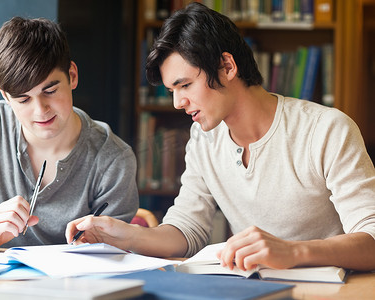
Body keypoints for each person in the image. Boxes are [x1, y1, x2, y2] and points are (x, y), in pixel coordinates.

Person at [66, 2, 375, 272]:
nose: (177, 103)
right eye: (172, 91)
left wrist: (293, 252)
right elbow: (187, 231)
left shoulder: (327, 130)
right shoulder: (204, 139)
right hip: (256, 289)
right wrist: (118, 234)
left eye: (185, 86)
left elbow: (372, 238)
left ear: (227, 66)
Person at [0, 17, 139, 253]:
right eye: (23, 99)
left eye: (50, 90)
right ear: (5, 95)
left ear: (72, 76)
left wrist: (98, 245)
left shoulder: (113, 158)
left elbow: (116, 256)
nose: (40, 110)